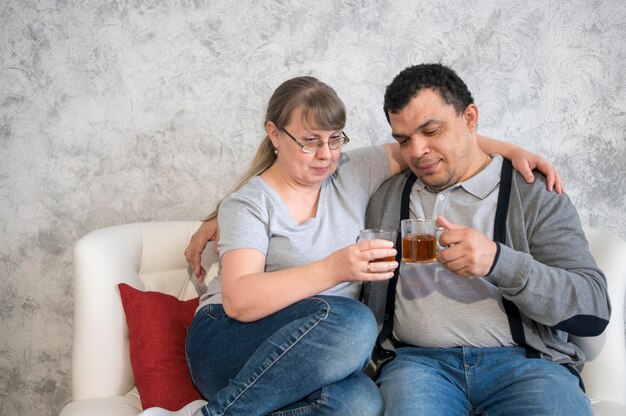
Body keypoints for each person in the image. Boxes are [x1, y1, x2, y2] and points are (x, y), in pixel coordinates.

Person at [148, 75, 562, 416]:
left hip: (312, 357)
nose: (325, 155)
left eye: (334, 139)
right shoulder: (249, 203)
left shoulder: (352, 170)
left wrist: (512, 151)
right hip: (228, 342)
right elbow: (239, 300)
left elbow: (433, 146)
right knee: (355, 321)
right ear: (274, 134)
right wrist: (334, 268)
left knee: (361, 404)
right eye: (310, 141)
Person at [363, 63, 611, 416]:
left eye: (431, 130)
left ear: (470, 119)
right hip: (418, 366)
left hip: (527, 368)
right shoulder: (387, 198)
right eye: (403, 139)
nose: (416, 151)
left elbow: (593, 308)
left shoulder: (534, 192)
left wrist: (499, 262)